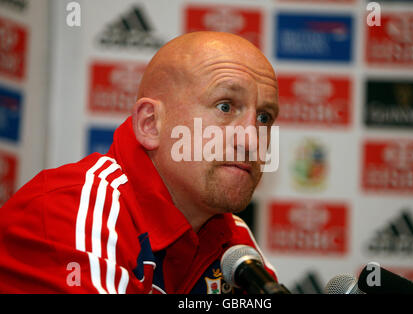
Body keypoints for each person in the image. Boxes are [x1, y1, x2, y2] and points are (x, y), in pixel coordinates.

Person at [0, 31, 279, 294]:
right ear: (150, 124)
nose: (251, 141)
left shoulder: (236, 244)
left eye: (264, 118)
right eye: (225, 107)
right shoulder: (71, 211)